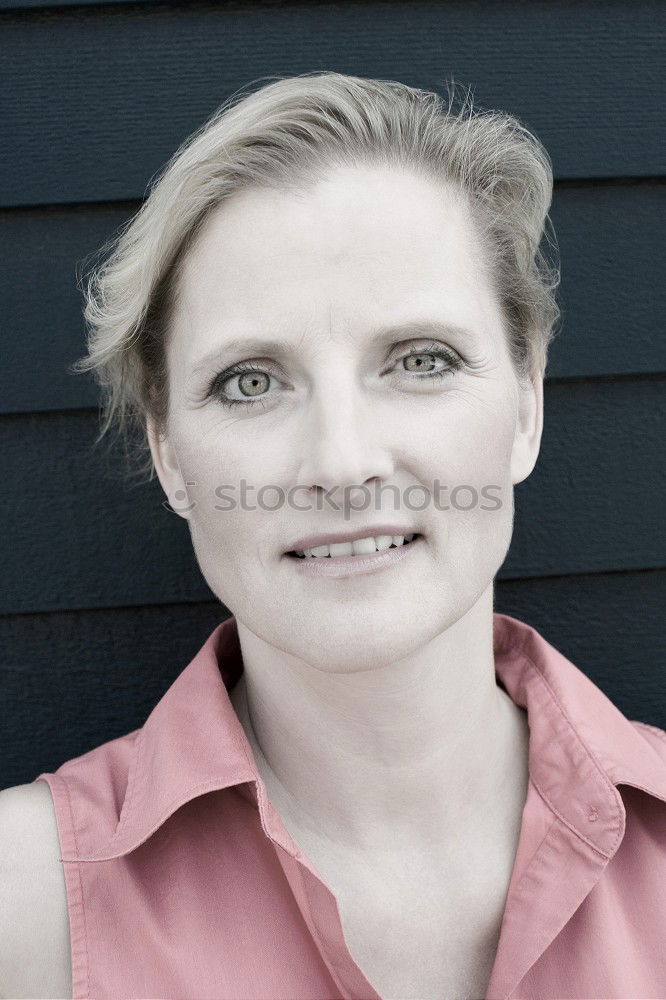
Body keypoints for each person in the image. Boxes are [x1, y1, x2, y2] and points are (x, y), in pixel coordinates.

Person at [2, 71, 665, 1000]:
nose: (343, 463)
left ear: (527, 403)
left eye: (421, 361)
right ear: (168, 453)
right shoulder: (19, 906)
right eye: (250, 381)